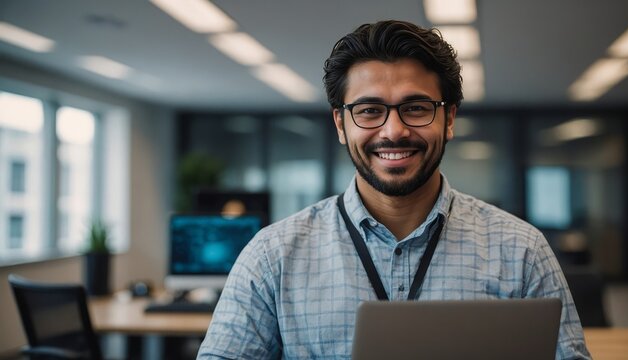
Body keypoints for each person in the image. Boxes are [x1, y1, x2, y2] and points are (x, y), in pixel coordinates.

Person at [197, 20, 590, 359]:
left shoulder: (521, 250)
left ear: (448, 118)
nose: (394, 130)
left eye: (416, 108)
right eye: (369, 110)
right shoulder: (273, 256)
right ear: (340, 124)